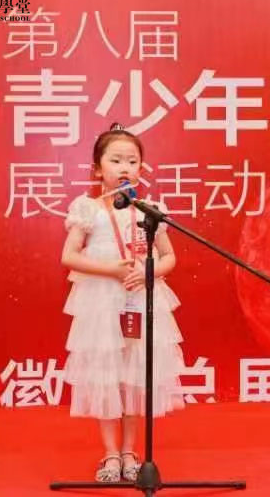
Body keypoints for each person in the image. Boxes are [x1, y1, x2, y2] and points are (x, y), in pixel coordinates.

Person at [60, 123, 186, 482]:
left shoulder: (150, 210)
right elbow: (69, 256)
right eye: (115, 160)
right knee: (107, 375)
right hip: (102, 302)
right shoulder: (88, 208)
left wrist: (148, 273)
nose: (125, 167)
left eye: (132, 161)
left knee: (135, 377)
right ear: (98, 169)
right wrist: (111, 271)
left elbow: (169, 257)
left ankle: (131, 452)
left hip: (141, 299)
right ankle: (111, 455)